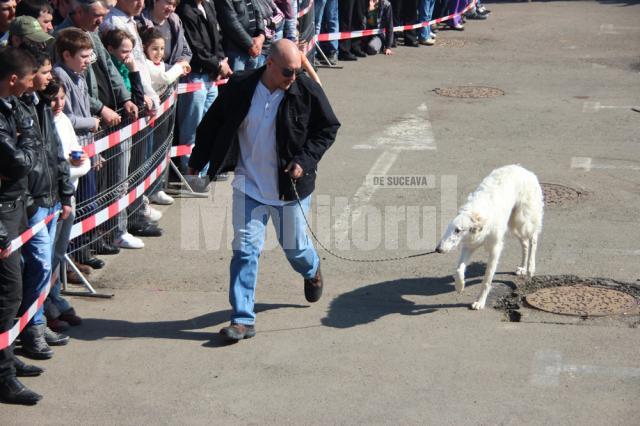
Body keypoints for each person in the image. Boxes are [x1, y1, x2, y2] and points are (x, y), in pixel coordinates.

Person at [189, 39, 340, 342]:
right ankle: (243, 319)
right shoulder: (242, 85)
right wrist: (198, 160)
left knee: (295, 248)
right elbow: (213, 121)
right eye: (287, 71)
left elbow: (328, 128)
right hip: (249, 185)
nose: (293, 78)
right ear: (269, 64)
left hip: (289, 188)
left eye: (297, 70)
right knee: (245, 250)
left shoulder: (306, 90)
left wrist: (303, 160)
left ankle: (312, 270)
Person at [16, 45, 74, 360]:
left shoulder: (42, 107)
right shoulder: (18, 109)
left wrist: (65, 193)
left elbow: (55, 154)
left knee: (45, 265)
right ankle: (31, 329)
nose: (50, 76)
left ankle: (37, 323)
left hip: (51, 198)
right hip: (33, 203)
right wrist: (28, 202)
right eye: (45, 71)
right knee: (37, 265)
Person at [0, 46, 42, 405]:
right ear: (14, 79)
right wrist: (26, 138)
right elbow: (18, 161)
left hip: (17, 207)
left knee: (14, 290)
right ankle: (2, 375)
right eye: (30, 79)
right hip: (2, 214)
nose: (33, 86)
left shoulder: (14, 105)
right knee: (8, 293)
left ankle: (7, 357)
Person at [41, 76, 89, 333]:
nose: (59, 104)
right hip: (55, 196)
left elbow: (77, 156)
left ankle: (55, 297)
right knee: (45, 257)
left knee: (58, 253)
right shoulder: (44, 122)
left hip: (69, 193)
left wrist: (80, 163)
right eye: (53, 99)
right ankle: (45, 307)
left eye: (62, 97)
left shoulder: (64, 121)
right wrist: (71, 167)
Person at [215, 0, 266, 71]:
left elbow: (258, 11)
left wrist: (261, 35)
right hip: (236, 51)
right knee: (238, 80)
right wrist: (250, 45)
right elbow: (230, 22)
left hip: (254, 48)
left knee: (251, 80)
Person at [141, 27, 189, 96]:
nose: (159, 53)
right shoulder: (146, 65)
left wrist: (183, 69)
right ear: (145, 48)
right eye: (155, 49)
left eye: (162, 48)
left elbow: (170, 68)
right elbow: (166, 78)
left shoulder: (160, 63)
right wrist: (180, 66)